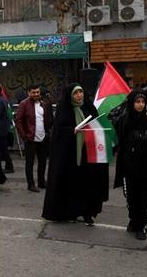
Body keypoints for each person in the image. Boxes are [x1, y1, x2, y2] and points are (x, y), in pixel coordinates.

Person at [42, 84, 109, 225]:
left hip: (88, 154)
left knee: (89, 184)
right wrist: (72, 131)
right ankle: (70, 212)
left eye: (81, 91)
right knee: (71, 185)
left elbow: (99, 127)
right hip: (70, 156)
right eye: (76, 93)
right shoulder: (64, 110)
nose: (80, 95)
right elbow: (58, 132)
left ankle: (87, 213)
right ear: (70, 96)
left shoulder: (89, 108)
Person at [112, 90, 147, 240]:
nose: (141, 105)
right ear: (131, 103)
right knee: (130, 197)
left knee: (144, 197)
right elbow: (116, 128)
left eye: (143, 102)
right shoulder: (124, 119)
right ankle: (133, 219)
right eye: (137, 102)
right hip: (128, 166)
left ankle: (142, 226)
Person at [15, 85, 53, 192]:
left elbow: (48, 119)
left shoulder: (44, 103)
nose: (36, 94)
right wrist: (24, 136)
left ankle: (41, 182)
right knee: (30, 162)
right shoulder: (24, 104)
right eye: (33, 92)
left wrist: (48, 132)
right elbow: (18, 121)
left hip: (43, 138)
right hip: (30, 139)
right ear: (28, 93)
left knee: (43, 161)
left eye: (37, 92)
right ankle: (30, 184)